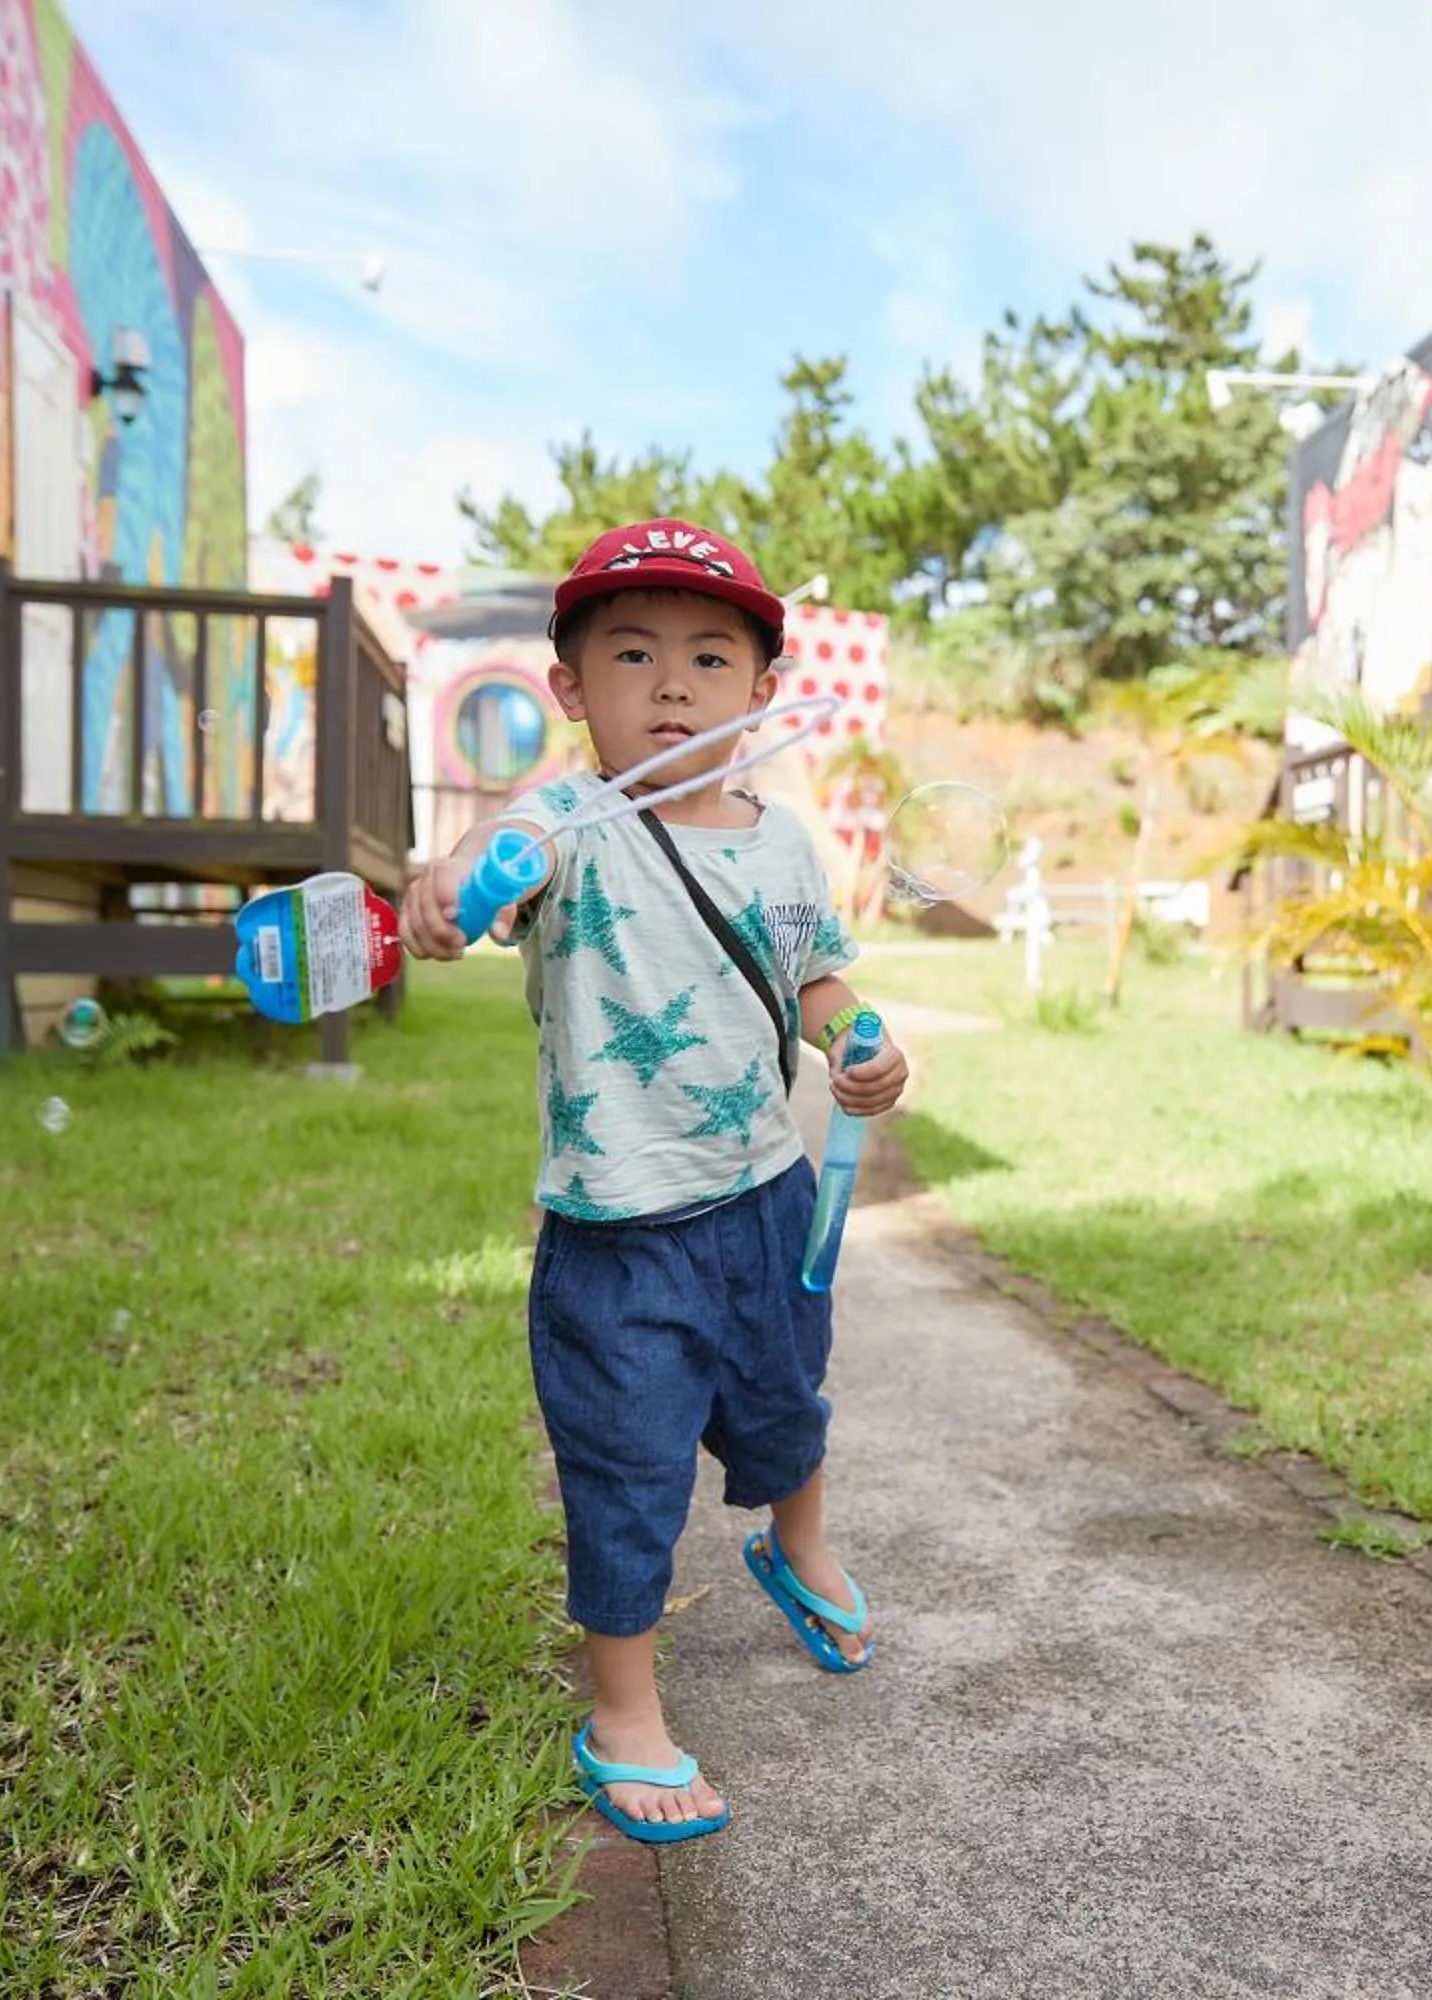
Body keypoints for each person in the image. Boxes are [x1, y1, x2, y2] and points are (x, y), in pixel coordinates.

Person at [400, 519, 906, 1846]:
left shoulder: (787, 843)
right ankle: (622, 1709)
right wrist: (446, 893)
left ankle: (794, 1544)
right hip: (619, 1234)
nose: (671, 684)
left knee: (789, 1400)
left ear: (761, 691)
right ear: (570, 688)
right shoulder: (563, 820)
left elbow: (817, 976)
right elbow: (484, 877)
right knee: (624, 1472)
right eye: (630, 654)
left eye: (707, 655)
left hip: (767, 1196)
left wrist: (863, 1042)